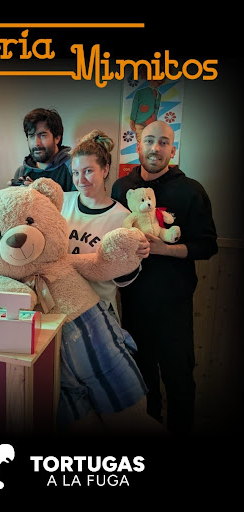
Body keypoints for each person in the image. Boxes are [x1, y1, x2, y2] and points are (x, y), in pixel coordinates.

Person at [111, 120, 218, 434]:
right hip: (133, 301)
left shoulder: (191, 190)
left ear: (173, 149)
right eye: (149, 141)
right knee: (141, 379)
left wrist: (164, 249)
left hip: (175, 302)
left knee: (179, 378)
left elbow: (207, 245)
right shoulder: (121, 188)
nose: (155, 148)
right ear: (138, 146)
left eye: (163, 142)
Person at [58, 129, 161, 434]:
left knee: (118, 407)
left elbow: (125, 280)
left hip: (97, 315)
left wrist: (136, 255)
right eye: (76, 172)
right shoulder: (61, 204)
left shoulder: (122, 217)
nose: (81, 179)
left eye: (89, 171)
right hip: (55, 316)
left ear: (105, 170)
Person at [11, 108, 75, 191]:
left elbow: (81, 198)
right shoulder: (21, 172)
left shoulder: (74, 167)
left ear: (57, 138)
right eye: (31, 136)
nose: (36, 143)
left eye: (42, 135)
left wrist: (40, 194)